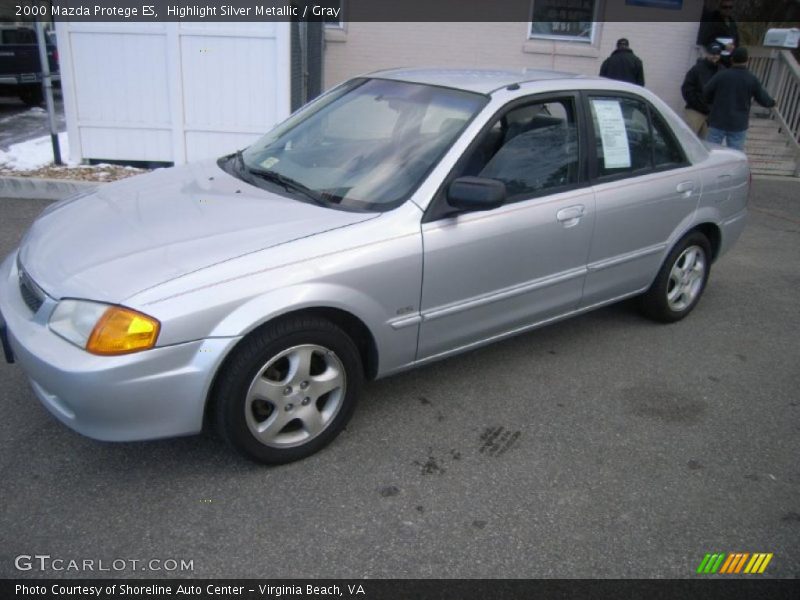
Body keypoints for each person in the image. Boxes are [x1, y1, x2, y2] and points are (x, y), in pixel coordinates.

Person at [703, 47, 775, 151]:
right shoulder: (751, 78)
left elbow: (706, 92)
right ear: (747, 60)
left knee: (711, 151)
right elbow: (763, 98)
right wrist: (772, 102)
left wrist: (711, 104)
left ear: (732, 59)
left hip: (718, 120)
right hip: (738, 123)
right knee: (735, 153)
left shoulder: (722, 75)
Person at [681, 43, 724, 138]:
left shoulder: (722, 71)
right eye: (712, 54)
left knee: (706, 147)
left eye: (717, 54)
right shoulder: (696, 69)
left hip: (711, 116)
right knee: (688, 141)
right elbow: (686, 89)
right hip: (694, 112)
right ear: (707, 54)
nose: (715, 56)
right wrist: (698, 104)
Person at [697, 1, 739, 66]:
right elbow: (707, 38)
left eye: (730, 7)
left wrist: (734, 48)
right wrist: (724, 46)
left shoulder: (732, 23)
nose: (728, 9)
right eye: (725, 7)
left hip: (728, 59)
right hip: (715, 58)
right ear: (720, 8)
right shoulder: (712, 20)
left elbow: (736, 39)